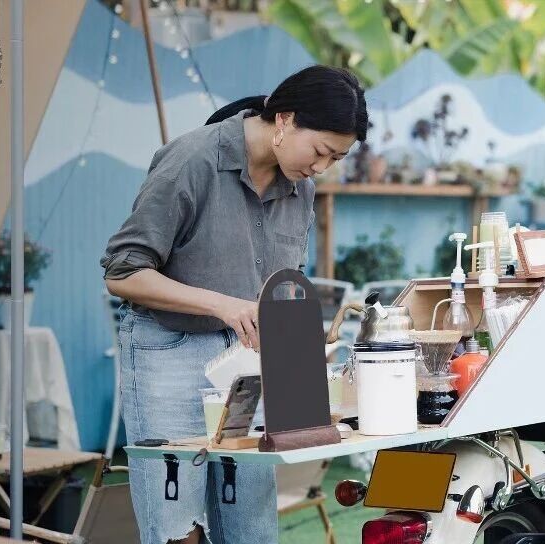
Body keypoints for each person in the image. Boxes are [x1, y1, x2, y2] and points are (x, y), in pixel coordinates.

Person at [100, 65, 367, 544]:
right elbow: (122, 272)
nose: (321, 167)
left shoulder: (300, 188)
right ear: (285, 119)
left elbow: (283, 284)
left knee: (252, 529)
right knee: (177, 528)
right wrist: (223, 305)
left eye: (336, 158)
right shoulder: (192, 160)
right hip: (169, 354)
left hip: (249, 365)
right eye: (321, 151)